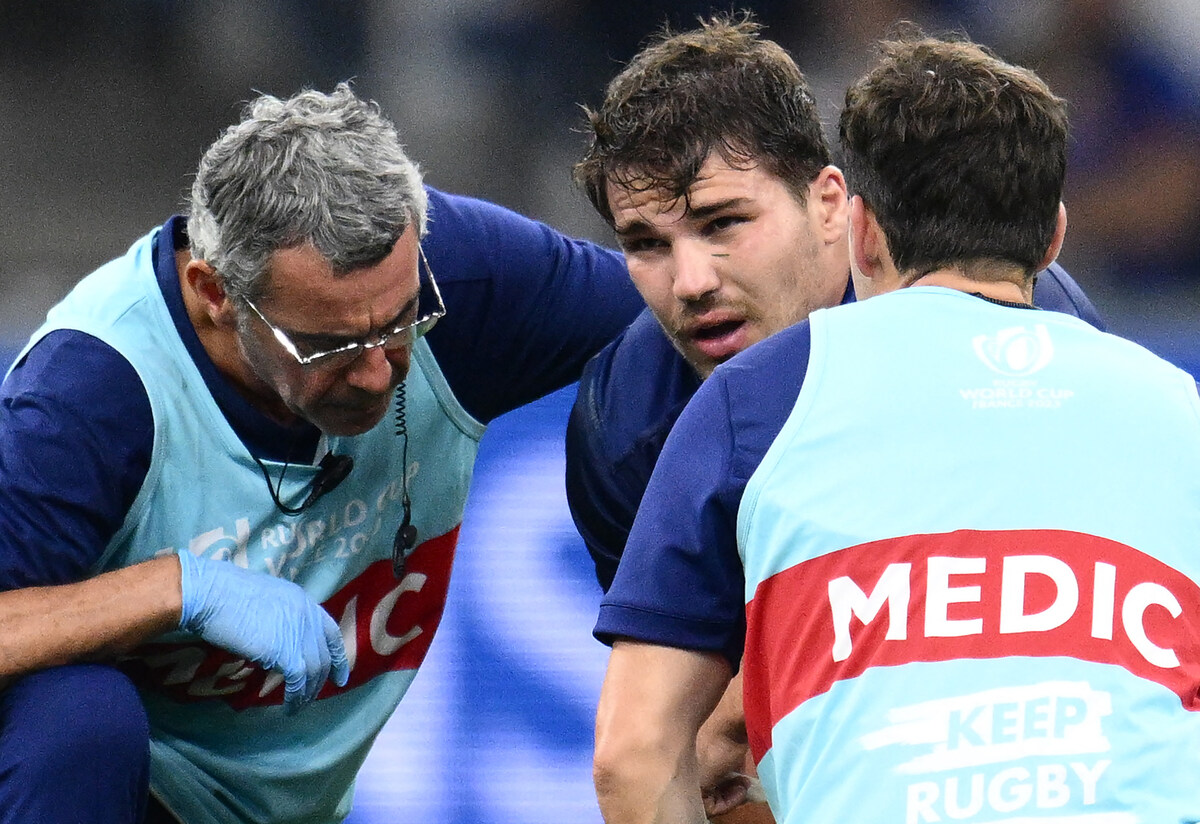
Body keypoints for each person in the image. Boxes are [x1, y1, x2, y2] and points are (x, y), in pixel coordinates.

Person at [589, 32, 1200, 824]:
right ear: (1049, 237)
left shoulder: (743, 406)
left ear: (850, 220)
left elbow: (636, 756)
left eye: (726, 223)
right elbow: (710, 757)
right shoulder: (1164, 399)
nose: (694, 280)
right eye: (645, 245)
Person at [0, 84, 642, 824]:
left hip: (289, 813)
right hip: (108, 792)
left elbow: (688, 321)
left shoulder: (460, 275)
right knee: (79, 719)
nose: (376, 371)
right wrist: (173, 590)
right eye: (327, 345)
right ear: (215, 292)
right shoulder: (95, 389)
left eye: (401, 324)